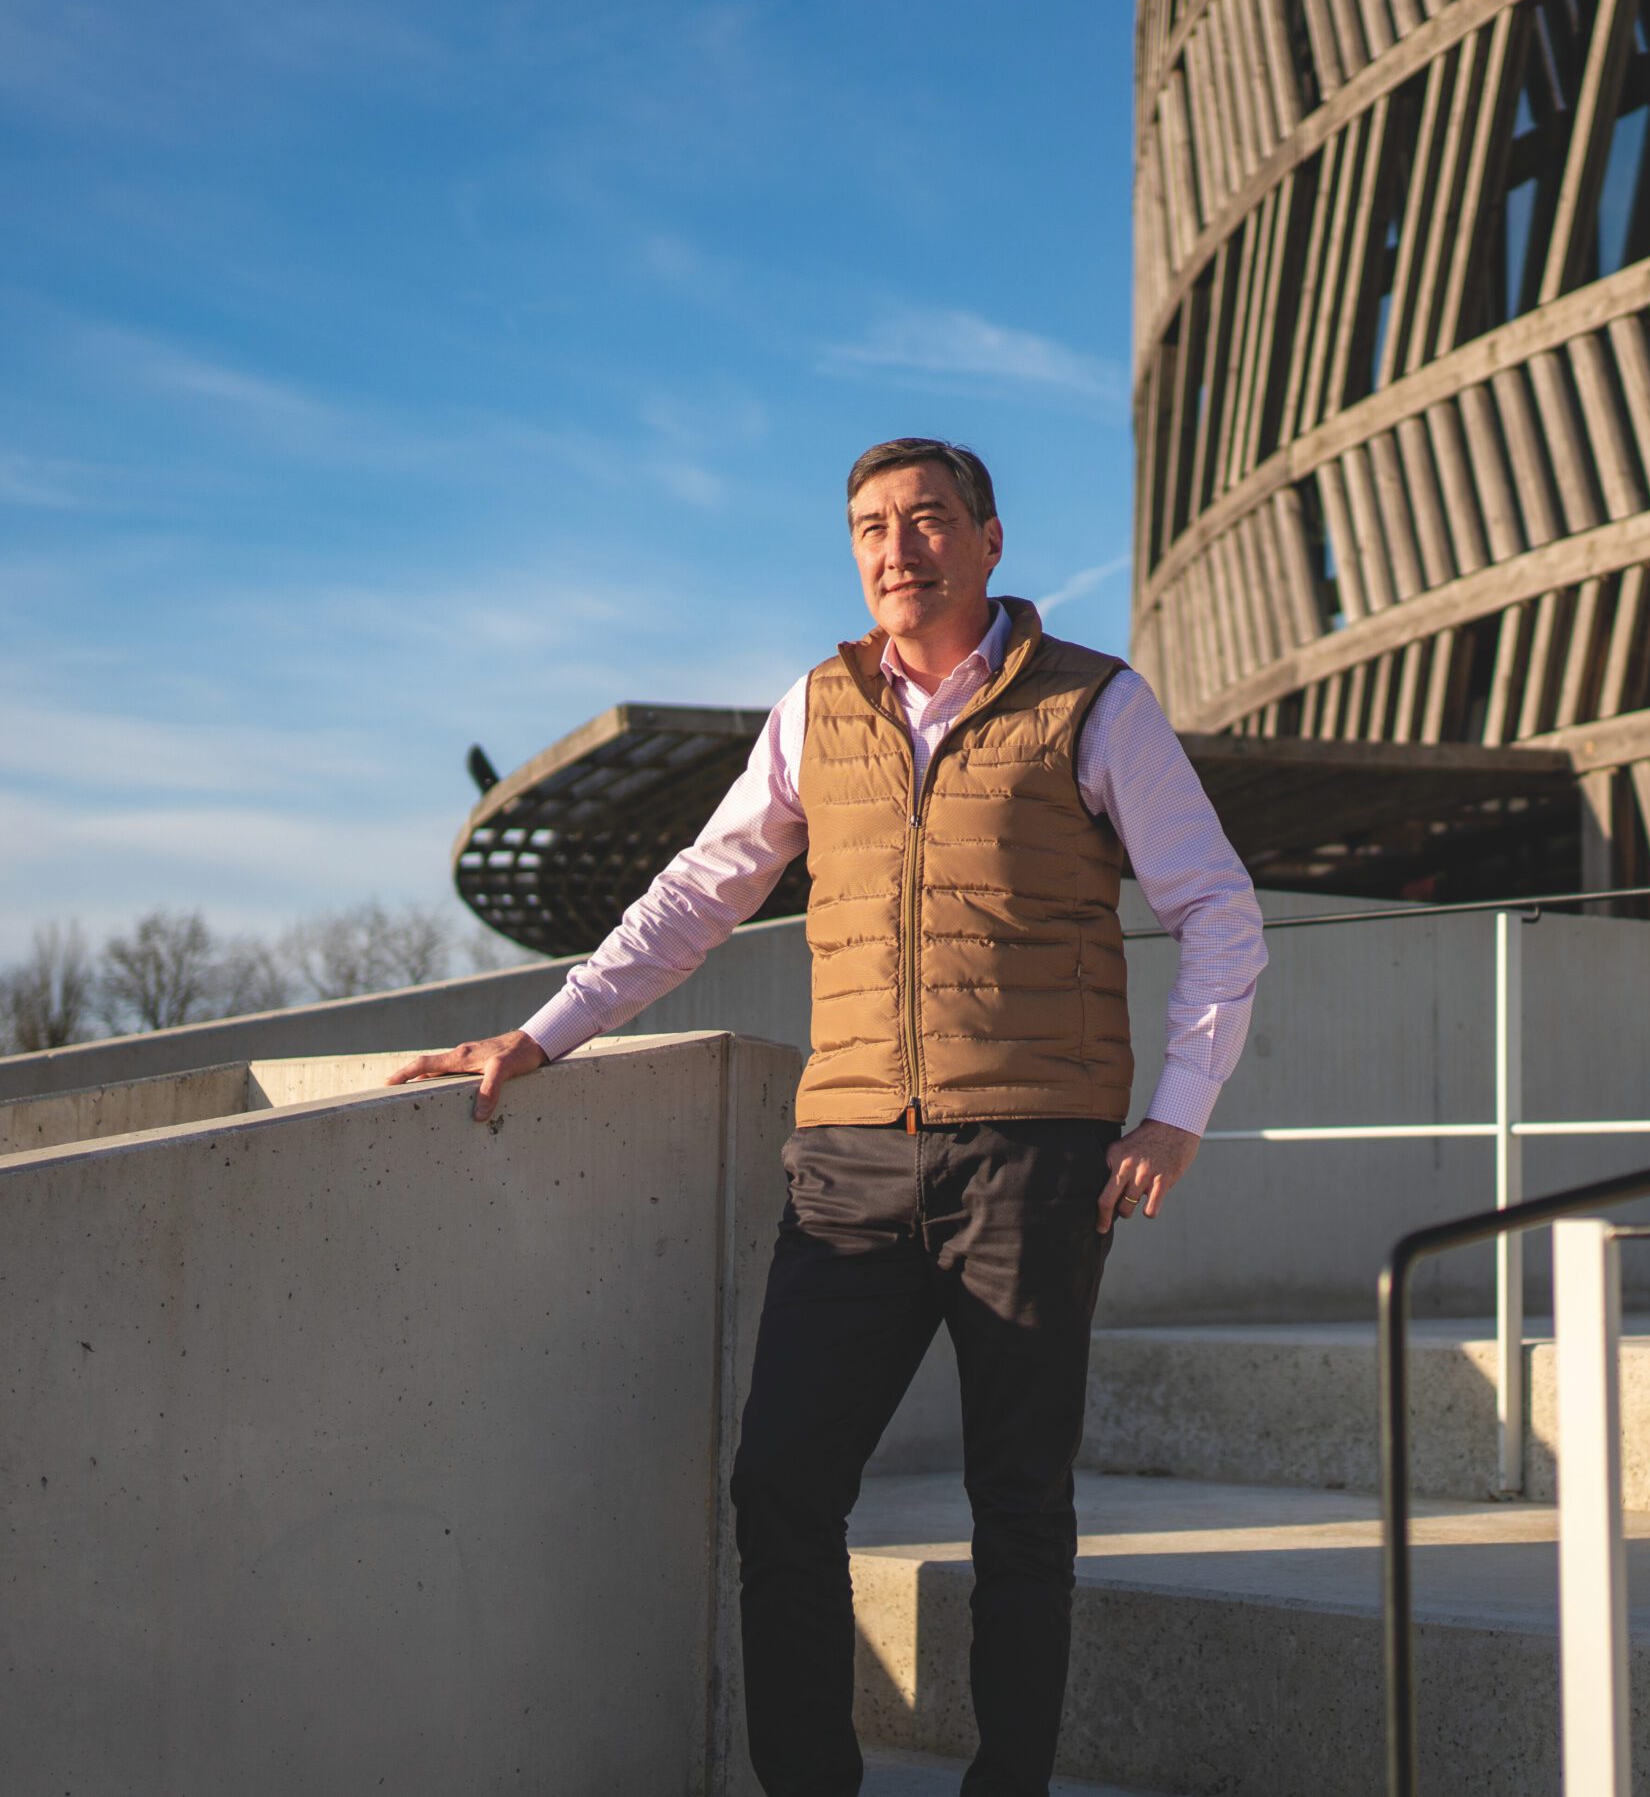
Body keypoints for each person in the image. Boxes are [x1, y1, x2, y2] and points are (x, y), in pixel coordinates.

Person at [389, 438, 1265, 1797]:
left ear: (987, 538)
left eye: (925, 521)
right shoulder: (815, 711)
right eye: (869, 526)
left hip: (1034, 1159)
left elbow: (1217, 908)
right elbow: (698, 895)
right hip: (848, 1160)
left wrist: (1176, 1116)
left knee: (1018, 1509)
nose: (895, 547)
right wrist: (543, 1035)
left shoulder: (1095, 704)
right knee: (782, 1492)